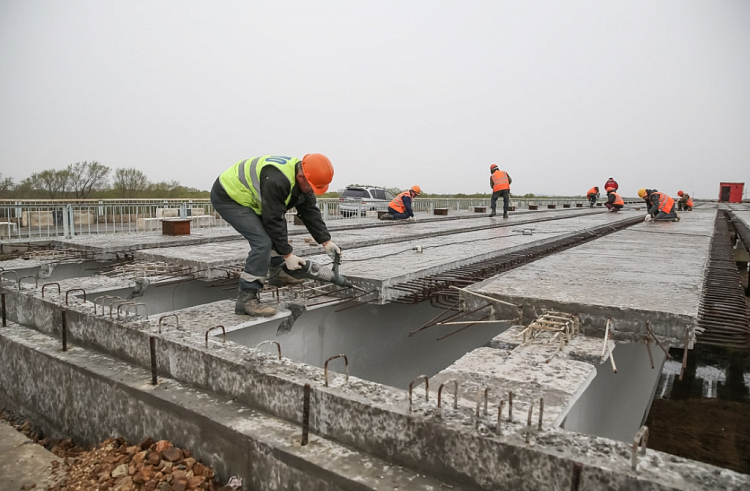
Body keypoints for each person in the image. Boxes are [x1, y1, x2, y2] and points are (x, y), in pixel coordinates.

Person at [211, 154, 340, 317]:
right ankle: (246, 298)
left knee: (276, 231)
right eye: (312, 187)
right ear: (301, 176)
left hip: (250, 198)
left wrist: (325, 241)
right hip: (229, 197)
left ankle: (278, 273)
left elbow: (310, 212)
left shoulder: (302, 178)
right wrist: (287, 254)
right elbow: (273, 220)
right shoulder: (278, 180)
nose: (312, 191)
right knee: (262, 243)